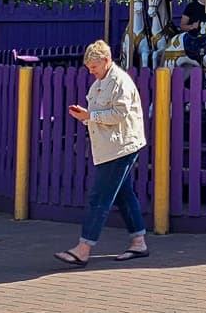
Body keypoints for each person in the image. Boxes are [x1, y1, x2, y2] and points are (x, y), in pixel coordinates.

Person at [55, 41, 150, 265]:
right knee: (123, 194)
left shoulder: (120, 82)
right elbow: (97, 113)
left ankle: (84, 248)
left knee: (99, 197)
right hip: (109, 147)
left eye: (94, 66)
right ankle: (139, 243)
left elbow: (119, 114)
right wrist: (85, 116)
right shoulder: (100, 83)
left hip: (120, 147)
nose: (91, 71)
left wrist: (89, 117)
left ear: (106, 61)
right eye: (89, 67)